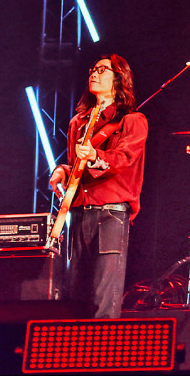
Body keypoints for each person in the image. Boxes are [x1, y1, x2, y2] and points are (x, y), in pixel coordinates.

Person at [49, 54, 148, 318]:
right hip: (79, 212)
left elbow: (123, 159)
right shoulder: (78, 122)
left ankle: (103, 343)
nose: (94, 73)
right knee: (76, 293)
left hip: (110, 213)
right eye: (93, 69)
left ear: (119, 79)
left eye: (103, 70)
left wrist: (95, 156)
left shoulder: (132, 120)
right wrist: (63, 170)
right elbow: (78, 166)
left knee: (105, 296)